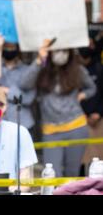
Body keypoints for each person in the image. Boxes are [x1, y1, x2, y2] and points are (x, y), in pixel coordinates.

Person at [20, 40, 97, 177]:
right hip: (51, 131)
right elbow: (24, 84)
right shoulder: (42, 69)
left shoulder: (78, 70)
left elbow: (92, 87)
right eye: (56, 50)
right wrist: (39, 59)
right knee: (52, 175)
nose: (60, 54)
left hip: (76, 127)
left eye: (64, 50)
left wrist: (82, 95)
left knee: (72, 174)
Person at [0, 34, 36, 131]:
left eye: (12, 47)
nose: (9, 50)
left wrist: (7, 91)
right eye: (6, 47)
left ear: (17, 49)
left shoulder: (26, 70)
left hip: (22, 125)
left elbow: (28, 99)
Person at [78, 42, 103, 167]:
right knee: (82, 156)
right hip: (81, 118)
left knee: (98, 155)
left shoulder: (99, 69)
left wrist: (99, 112)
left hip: (98, 119)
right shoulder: (75, 71)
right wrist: (84, 115)